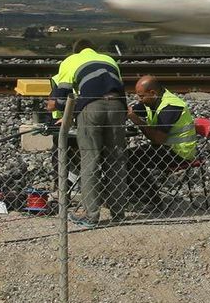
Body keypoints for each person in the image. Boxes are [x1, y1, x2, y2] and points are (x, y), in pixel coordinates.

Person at [50, 39, 126, 224]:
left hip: (92, 107)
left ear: (75, 51)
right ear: (94, 49)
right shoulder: (109, 60)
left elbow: (62, 97)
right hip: (118, 106)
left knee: (90, 160)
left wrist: (63, 115)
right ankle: (118, 213)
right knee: (116, 159)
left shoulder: (70, 60)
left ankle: (91, 215)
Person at [126, 75, 198, 210]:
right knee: (127, 155)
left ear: (152, 93)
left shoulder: (171, 106)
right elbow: (135, 109)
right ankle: (138, 195)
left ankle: (150, 200)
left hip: (179, 152)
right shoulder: (153, 101)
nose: (139, 100)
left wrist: (136, 120)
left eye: (141, 96)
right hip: (166, 148)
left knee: (131, 158)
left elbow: (158, 138)